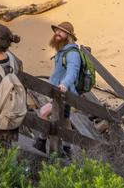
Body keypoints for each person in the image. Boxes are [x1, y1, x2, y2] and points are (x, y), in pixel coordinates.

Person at [35, 20, 82, 155]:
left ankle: (41, 143)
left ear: (69, 35)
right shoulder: (62, 51)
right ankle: (67, 149)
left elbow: (72, 73)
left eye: (61, 31)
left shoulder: (72, 53)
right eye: (56, 31)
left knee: (43, 112)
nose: (57, 33)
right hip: (59, 93)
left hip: (64, 93)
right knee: (65, 120)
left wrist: (64, 85)